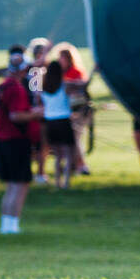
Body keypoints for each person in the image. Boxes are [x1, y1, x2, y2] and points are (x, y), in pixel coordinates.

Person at [0, 48, 44, 234]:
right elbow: (16, 115)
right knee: (19, 184)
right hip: (16, 140)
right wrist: (35, 114)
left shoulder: (1, 87)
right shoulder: (16, 89)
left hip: (4, 140)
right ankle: (12, 226)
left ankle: (6, 224)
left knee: (11, 186)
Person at [53, 43, 92, 175]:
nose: (60, 61)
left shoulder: (76, 72)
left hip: (77, 111)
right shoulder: (57, 74)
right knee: (68, 141)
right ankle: (75, 166)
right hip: (63, 112)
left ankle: (80, 165)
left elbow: (81, 87)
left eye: (62, 58)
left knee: (74, 139)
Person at [40, 61, 76, 189]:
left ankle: (57, 182)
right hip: (63, 121)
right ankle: (66, 182)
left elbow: (38, 101)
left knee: (57, 156)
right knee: (68, 153)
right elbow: (84, 85)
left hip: (50, 122)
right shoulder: (64, 85)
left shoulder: (43, 88)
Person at [27, 39, 50, 182]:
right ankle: (40, 173)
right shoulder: (36, 71)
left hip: (37, 110)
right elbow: (36, 93)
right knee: (42, 142)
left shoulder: (36, 70)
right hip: (38, 111)